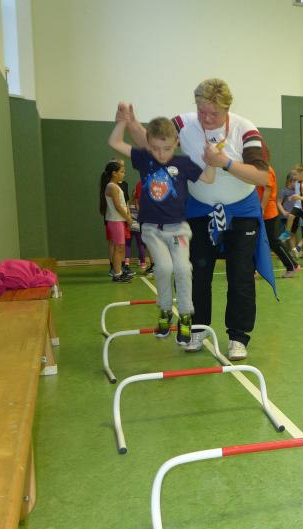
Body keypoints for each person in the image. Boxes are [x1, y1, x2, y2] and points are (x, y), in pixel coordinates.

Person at [121, 78, 277, 361]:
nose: (205, 118)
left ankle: (238, 336)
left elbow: (261, 176)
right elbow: (153, 144)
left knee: (241, 275)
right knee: (197, 273)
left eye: (213, 113)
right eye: (201, 110)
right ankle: (197, 328)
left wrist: (224, 163)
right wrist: (131, 124)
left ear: (227, 108)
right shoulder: (184, 123)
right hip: (199, 211)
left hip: (241, 213)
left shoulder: (245, 129)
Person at [109, 114, 215, 343]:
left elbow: (208, 178)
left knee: (183, 268)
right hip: (152, 230)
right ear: (149, 143)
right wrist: (123, 121)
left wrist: (212, 159)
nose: (161, 154)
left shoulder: (183, 163)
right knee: (165, 268)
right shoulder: (144, 158)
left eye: (166, 148)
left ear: (176, 142)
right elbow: (115, 142)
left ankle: (185, 316)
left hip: (178, 229)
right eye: (156, 148)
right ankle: (165, 311)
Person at [257, 145, 298, 278]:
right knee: (256, 241)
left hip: (267, 212)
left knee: (273, 241)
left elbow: (267, 190)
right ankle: (253, 270)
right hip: (261, 211)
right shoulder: (259, 169)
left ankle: (292, 266)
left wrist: (261, 209)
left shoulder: (267, 170)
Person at [99, 159, 133, 283]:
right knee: (119, 247)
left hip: (119, 220)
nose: (124, 174)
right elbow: (118, 206)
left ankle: (119, 272)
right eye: (122, 172)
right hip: (115, 221)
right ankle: (117, 274)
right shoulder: (111, 186)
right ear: (114, 173)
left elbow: (123, 203)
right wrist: (128, 218)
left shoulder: (115, 186)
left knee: (121, 247)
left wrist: (127, 217)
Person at [277, 172, 300, 258]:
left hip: (294, 217)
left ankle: (294, 252)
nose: (298, 185)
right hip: (285, 217)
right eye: (296, 182)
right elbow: (279, 203)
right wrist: (283, 212)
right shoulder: (284, 191)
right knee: (284, 235)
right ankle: (281, 253)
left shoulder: (297, 192)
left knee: (292, 234)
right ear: (291, 181)